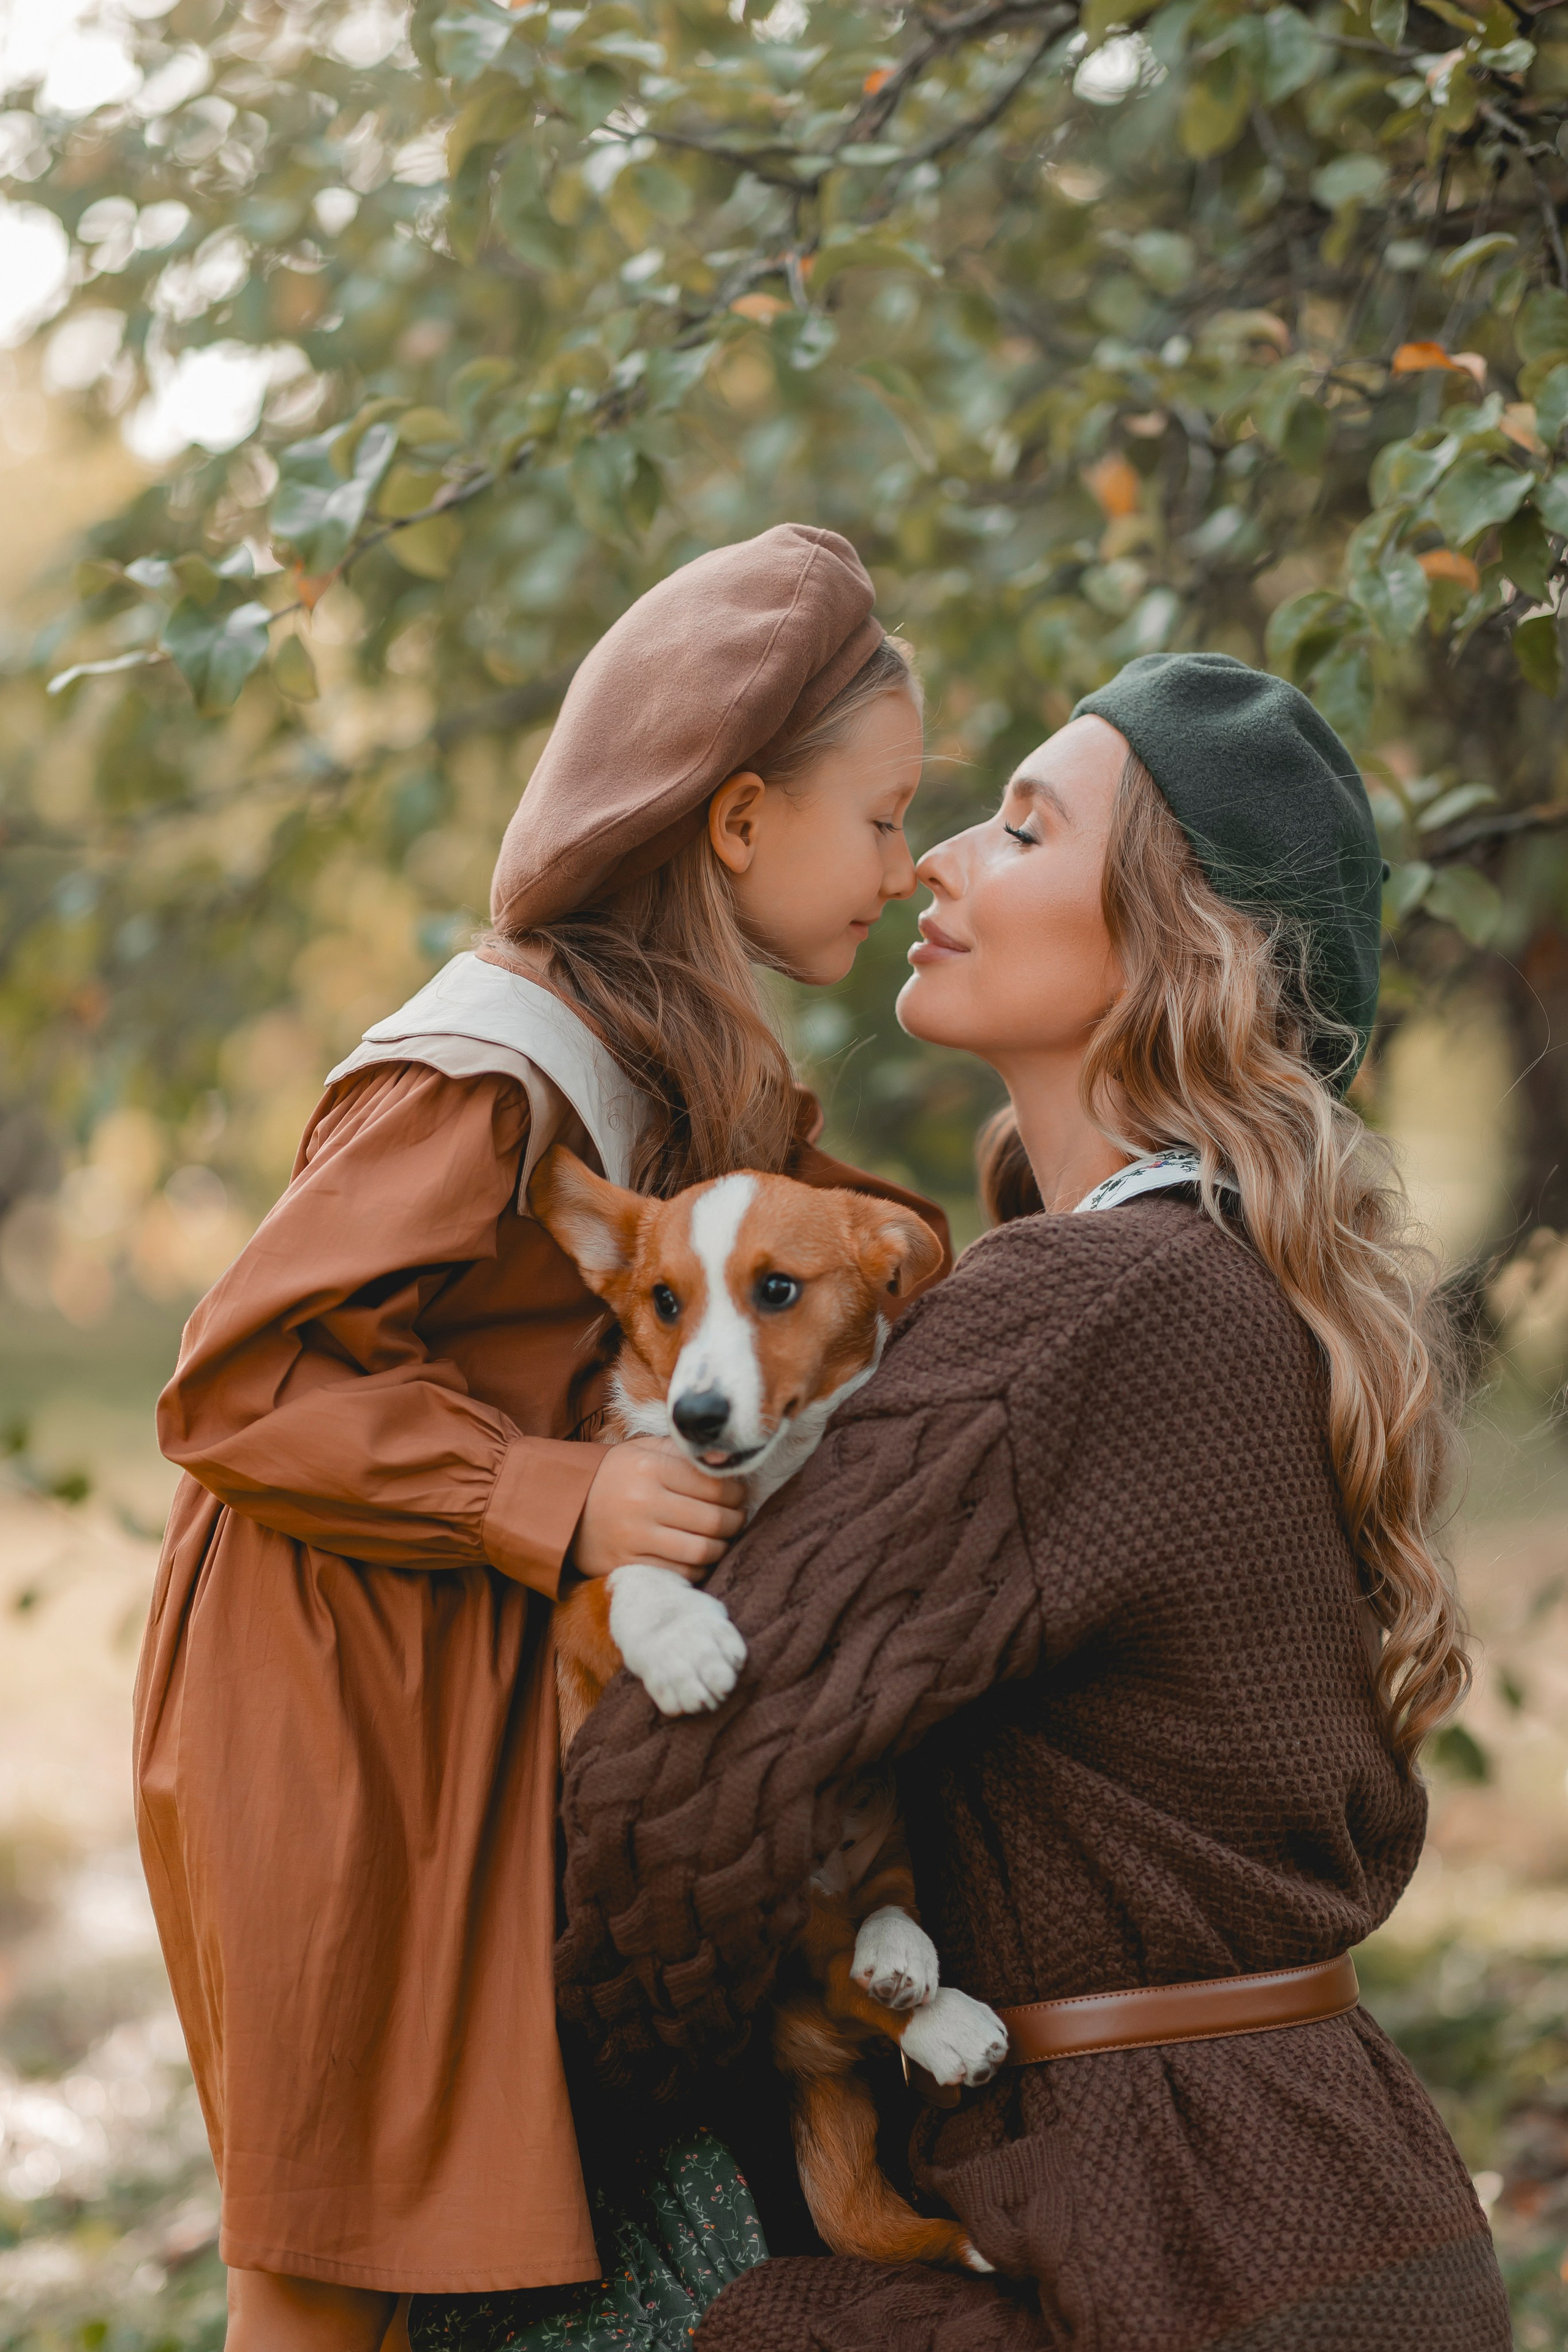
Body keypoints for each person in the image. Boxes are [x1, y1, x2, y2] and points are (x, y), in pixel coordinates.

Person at [554, 652, 1512, 2351]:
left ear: (1167, 937)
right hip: (1328, 2215)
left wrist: (534, 2077)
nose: (935, 859)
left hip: (1165, 2248)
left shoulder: (1077, 1311)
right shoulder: (1217, 1282)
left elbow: (686, 1789)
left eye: (1017, 827)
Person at [134, 524, 949, 2352]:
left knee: (451, 2238)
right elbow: (235, 1385)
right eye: (884, 818)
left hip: (459, 1641)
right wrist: (558, 1490)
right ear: (737, 823)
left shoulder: (678, 1068)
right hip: (326, 1676)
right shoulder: (492, 1059)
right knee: (328, 2263)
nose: (905, 868)